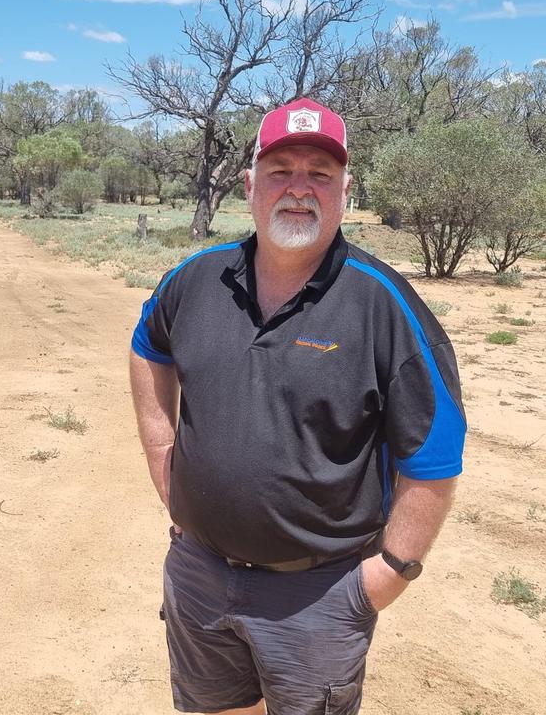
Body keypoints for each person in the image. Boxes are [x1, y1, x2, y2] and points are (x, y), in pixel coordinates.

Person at [128, 98, 466, 715]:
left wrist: (391, 570)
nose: (299, 190)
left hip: (319, 591)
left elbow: (436, 454)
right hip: (200, 573)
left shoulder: (383, 303)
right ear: (251, 183)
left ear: (346, 191)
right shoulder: (197, 278)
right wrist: (165, 466)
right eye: (281, 171)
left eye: (321, 174)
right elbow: (148, 344)